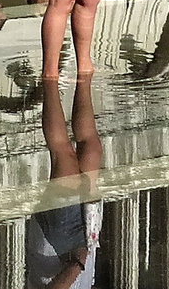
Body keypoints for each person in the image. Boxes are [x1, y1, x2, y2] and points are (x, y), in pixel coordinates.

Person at [28, 78, 103, 289]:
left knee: (64, 156)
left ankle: (49, 76)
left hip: (59, 249)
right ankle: (84, 71)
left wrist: (78, 264)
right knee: (92, 149)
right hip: (86, 242)